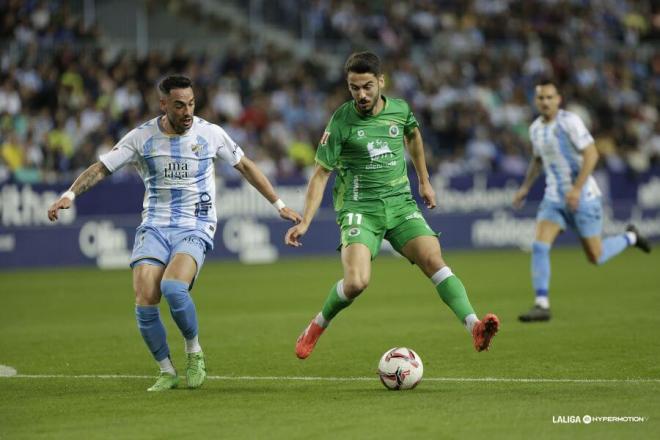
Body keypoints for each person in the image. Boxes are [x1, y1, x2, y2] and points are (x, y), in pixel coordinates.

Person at [47, 75, 301, 390]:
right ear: (163, 104)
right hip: (155, 224)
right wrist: (69, 195)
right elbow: (101, 167)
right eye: (179, 105)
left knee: (173, 288)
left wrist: (278, 204)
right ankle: (166, 370)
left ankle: (194, 352)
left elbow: (246, 166)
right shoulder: (141, 138)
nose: (187, 111)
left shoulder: (211, 134)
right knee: (144, 296)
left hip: (196, 223)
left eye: (191, 104)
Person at [284, 52, 499, 359]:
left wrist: (424, 180)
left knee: (433, 259)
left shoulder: (400, 110)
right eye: (354, 87)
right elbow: (320, 175)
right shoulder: (341, 121)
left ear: (381, 82)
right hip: (360, 209)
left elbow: (413, 135)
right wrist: (305, 221)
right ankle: (317, 325)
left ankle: (474, 326)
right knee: (357, 282)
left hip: (400, 204)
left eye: (367, 86)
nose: (361, 94)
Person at [513, 79, 651, 322]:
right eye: (541, 98)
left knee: (595, 256)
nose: (545, 102)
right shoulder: (535, 128)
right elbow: (537, 160)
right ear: (536, 101)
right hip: (554, 198)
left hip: (584, 198)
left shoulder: (570, 122)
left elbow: (592, 153)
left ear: (558, 99)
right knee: (539, 245)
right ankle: (542, 304)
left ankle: (630, 237)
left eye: (549, 97)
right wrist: (524, 187)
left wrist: (576, 190)